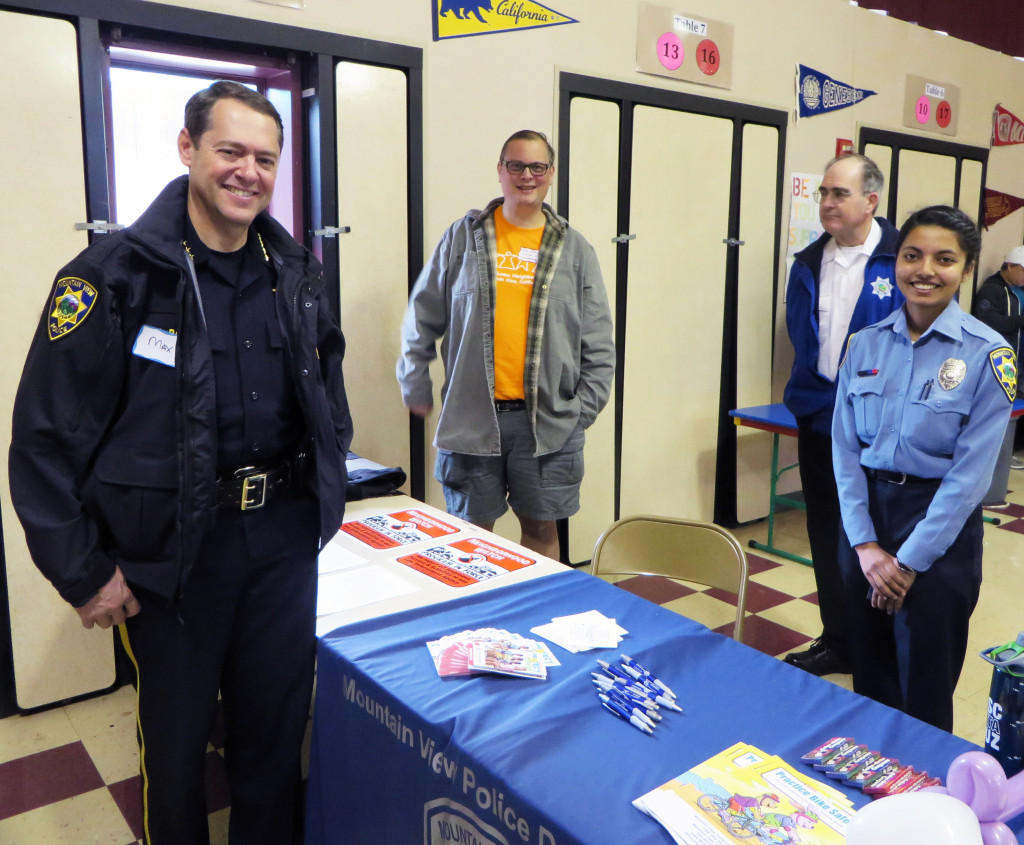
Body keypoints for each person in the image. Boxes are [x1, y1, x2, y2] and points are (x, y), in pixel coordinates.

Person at [8, 81, 353, 843]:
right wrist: (82, 568)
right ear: (187, 148)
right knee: (175, 754)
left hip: (283, 545)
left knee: (271, 739)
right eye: (230, 151)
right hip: (174, 559)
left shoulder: (294, 274)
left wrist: (322, 495)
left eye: (265, 158)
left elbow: (326, 394)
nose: (248, 172)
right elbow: (43, 438)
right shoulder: (113, 277)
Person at [832, 205, 1015, 732]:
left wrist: (908, 562)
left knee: (925, 683)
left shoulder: (987, 354)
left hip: (938, 527)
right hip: (866, 519)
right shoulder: (864, 343)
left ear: (966, 267)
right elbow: (844, 449)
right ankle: (872, 782)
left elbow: (971, 475)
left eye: (944, 258)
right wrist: (865, 546)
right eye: (912, 255)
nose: (925, 270)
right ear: (896, 263)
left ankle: (926, 798)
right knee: (869, 675)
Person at [396, 130, 614, 559]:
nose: (526, 176)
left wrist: (579, 414)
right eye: (516, 165)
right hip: (473, 417)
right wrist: (414, 382)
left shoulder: (576, 249)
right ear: (500, 170)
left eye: (537, 167)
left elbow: (599, 343)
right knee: (470, 537)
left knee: (541, 530)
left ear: (551, 174)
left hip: (547, 424)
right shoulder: (463, 237)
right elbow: (422, 315)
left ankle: (533, 618)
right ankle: (479, 624)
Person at [782, 153, 903, 677]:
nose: (827, 203)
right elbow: (801, 338)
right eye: (824, 193)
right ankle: (839, 640)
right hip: (819, 422)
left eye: (839, 194)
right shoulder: (809, 262)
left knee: (873, 541)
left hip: (881, 434)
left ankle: (877, 647)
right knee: (825, 533)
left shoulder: (902, 260)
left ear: (871, 201)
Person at [973, 244, 1024, 506]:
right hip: (998, 363)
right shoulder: (993, 290)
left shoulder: (1018, 291)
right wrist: (1020, 321)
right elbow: (988, 322)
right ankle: (991, 465)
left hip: (1018, 361)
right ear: (1011, 266)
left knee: (1015, 411)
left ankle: (1007, 453)